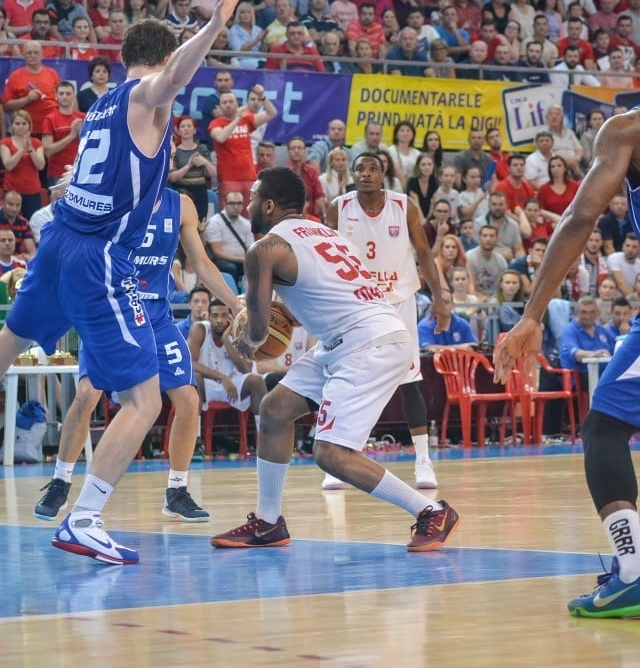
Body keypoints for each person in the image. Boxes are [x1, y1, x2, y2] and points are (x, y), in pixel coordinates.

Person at [0, 0, 243, 566]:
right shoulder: (141, 97)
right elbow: (176, 77)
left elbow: (78, 179)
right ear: (158, 61)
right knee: (144, 402)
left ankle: (85, 513)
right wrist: (213, 27)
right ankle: (84, 519)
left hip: (59, 239)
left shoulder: (101, 105)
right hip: (97, 255)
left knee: (7, 344)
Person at [210, 167, 458, 552]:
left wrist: (240, 341)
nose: (250, 204)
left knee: (330, 454)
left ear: (271, 205)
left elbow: (259, 336)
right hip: (353, 336)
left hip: (366, 344)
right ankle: (268, 522)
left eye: (255, 197)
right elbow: (306, 306)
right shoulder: (326, 234)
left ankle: (430, 510)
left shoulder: (266, 250)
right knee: (275, 410)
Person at [494, 106, 640, 617]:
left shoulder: (628, 130)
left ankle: (634, 571)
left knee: (605, 427)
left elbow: (581, 218)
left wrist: (533, 314)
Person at [34, 188, 240, 523]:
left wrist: (235, 303)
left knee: (188, 398)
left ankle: (177, 490)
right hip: (110, 310)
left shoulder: (182, 205)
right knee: (87, 393)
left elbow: (201, 263)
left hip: (157, 315)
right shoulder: (112, 194)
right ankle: (60, 480)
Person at [324, 152, 445, 489]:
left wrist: (439, 297)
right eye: (359, 169)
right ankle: (338, 459)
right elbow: (323, 256)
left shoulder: (403, 205)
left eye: (372, 168)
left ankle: (423, 461)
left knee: (409, 380)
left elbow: (423, 253)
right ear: (352, 174)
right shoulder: (339, 207)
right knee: (348, 380)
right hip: (355, 305)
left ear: (383, 173)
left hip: (399, 301)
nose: (365, 174)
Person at [189, 298, 266, 432]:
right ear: (208, 316)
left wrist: (226, 340)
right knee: (195, 378)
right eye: (215, 315)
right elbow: (190, 363)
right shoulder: (200, 329)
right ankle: (196, 440)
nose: (219, 320)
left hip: (231, 385)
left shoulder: (236, 332)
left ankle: (264, 437)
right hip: (207, 384)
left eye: (224, 315)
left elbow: (246, 369)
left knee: (256, 381)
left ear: (230, 317)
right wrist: (221, 377)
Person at [208, 86, 277, 209]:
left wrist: (263, 96)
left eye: (231, 102)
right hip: (229, 179)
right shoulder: (216, 123)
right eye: (224, 102)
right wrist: (237, 119)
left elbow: (271, 113)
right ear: (220, 106)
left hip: (249, 176)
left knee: (250, 214)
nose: (228, 105)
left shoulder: (247, 120)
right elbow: (221, 138)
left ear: (237, 103)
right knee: (229, 215)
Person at [0, 110, 45, 218]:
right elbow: (8, 165)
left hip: (32, 191)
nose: (21, 126)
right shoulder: (5, 142)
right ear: (12, 126)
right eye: (17, 123)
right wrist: (21, 150)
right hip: (11, 191)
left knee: (32, 222)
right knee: (9, 222)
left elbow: (41, 165)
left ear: (29, 126)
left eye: (24, 123)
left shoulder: (36, 143)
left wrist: (30, 149)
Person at [204, 191, 253, 287]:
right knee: (230, 267)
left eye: (239, 203)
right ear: (224, 204)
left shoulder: (246, 224)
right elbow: (217, 252)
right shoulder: (214, 222)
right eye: (232, 203)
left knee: (255, 266)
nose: (236, 207)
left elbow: (250, 248)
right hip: (221, 260)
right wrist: (241, 259)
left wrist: (248, 259)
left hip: (242, 260)